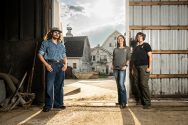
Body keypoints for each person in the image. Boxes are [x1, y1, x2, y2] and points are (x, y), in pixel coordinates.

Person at [38, 27, 67, 112]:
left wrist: (65, 64)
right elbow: (40, 54)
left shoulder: (62, 44)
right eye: (55, 32)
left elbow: (64, 55)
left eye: (58, 33)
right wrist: (46, 65)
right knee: (49, 86)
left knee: (59, 86)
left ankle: (58, 104)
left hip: (61, 66)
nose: (57, 34)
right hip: (51, 65)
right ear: (51, 33)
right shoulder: (46, 43)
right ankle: (48, 105)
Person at [132, 32, 152, 109]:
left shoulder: (146, 45)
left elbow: (150, 56)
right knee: (136, 84)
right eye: (138, 36)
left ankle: (147, 103)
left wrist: (149, 67)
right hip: (136, 67)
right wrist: (132, 69)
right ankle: (141, 100)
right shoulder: (136, 48)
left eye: (140, 36)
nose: (139, 37)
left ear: (143, 37)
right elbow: (133, 60)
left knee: (143, 84)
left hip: (144, 66)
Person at [112, 35, 131, 109]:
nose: (120, 40)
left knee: (121, 84)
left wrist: (126, 65)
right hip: (115, 69)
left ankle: (124, 102)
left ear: (123, 39)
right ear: (117, 41)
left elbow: (128, 58)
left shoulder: (127, 48)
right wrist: (112, 65)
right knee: (118, 85)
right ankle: (120, 101)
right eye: (118, 39)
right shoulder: (115, 49)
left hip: (122, 68)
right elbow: (113, 58)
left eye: (121, 38)